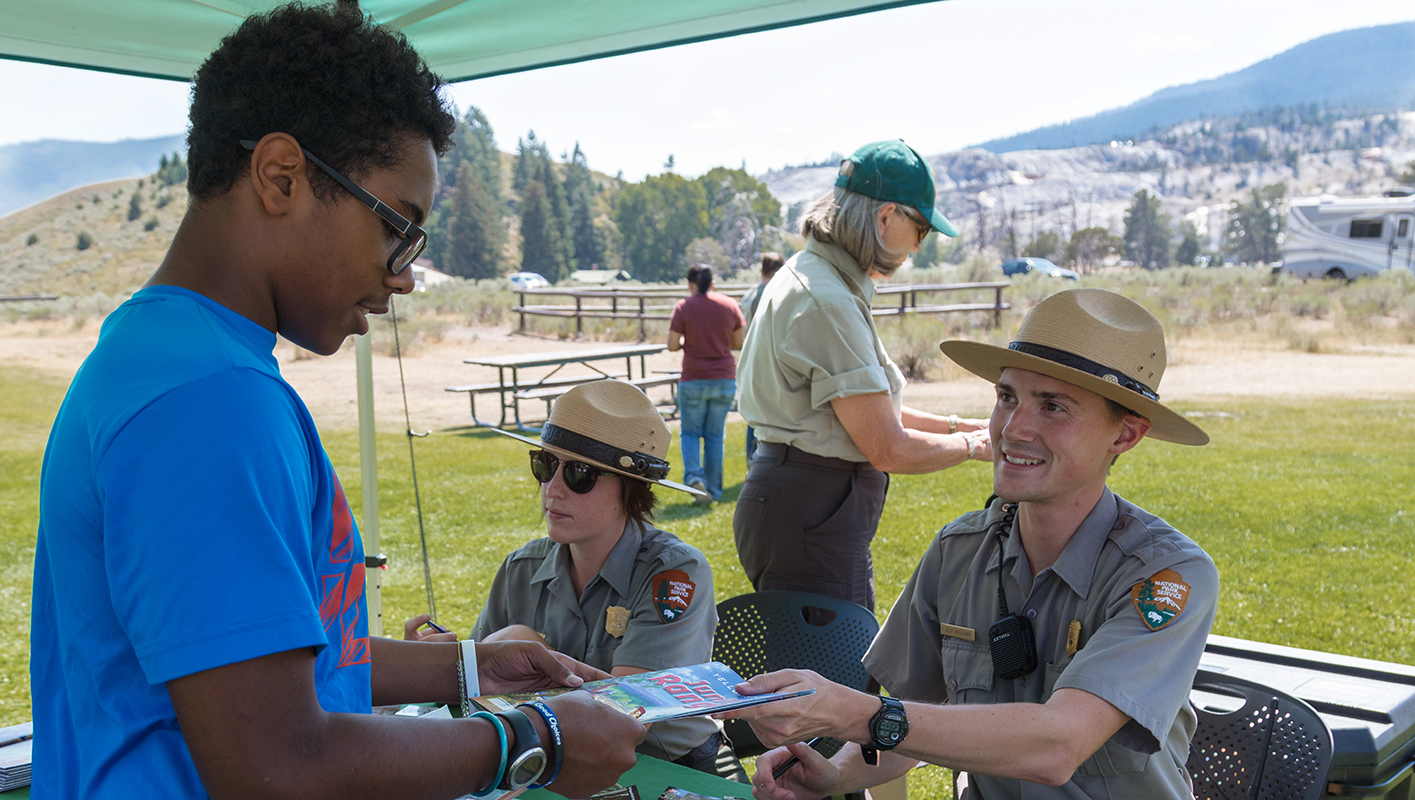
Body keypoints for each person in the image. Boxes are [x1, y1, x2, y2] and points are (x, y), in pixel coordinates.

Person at [28, 5, 644, 798]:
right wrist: (535, 741)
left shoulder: (170, 357)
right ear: (281, 177)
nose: (404, 274)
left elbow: (259, 659)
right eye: (399, 226)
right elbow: (275, 765)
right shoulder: (207, 402)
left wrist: (468, 666)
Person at [726, 289, 1219, 799]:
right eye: (1007, 397)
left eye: (1053, 407)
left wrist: (855, 714)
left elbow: (1057, 745)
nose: (1013, 428)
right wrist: (836, 774)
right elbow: (916, 715)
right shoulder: (959, 551)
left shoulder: (1165, 575)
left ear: (1125, 435)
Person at [429, 380, 746, 780]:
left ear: (631, 491)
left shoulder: (673, 573)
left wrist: (526, 648)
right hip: (555, 764)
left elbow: (623, 719)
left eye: (580, 474)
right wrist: (440, 662)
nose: (552, 489)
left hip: (675, 769)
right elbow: (477, 687)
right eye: (544, 464)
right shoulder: (521, 569)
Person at [733, 140, 992, 611]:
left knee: (817, 673)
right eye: (920, 228)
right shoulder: (828, 299)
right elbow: (887, 445)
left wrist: (960, 427)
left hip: (807, 509)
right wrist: (975, 447)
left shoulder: (817, 278)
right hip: (814, 514)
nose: (918, 244)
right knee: (832, 677)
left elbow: (868, 411)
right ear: (886, 216)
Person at [668, 265, 746, 505]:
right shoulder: (730, 305)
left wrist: (688, 341)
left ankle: (694, 479)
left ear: (691, 284)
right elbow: (739, 341)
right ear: (713, 283)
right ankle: (714, 489)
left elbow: (671, 344)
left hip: (693, 377)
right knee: (714, 436)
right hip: (723, 377)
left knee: (690, 433)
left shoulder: (683, 307)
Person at [738, 252, 785, 461]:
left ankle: (754, 460)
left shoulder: (751, 293)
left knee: (755, 413)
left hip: (751, 358)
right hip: (769, 358)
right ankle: (760, 460)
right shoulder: (776, 293)